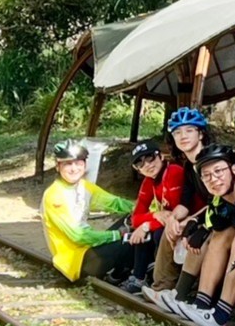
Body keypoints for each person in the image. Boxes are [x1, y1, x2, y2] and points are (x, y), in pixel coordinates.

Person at [175, 142, 235, 326]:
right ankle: (201, 305)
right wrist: (196, 227)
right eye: (206, 175)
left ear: (234, 169)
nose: (213, 179)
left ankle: (221, 316)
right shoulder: (219, 200)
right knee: (221, 233)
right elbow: (215, 222)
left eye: (218, 171)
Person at [39, 141, 131, 284]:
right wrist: (117, 234)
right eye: (68, 164)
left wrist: (150, 210)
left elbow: (116, 203)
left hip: (90, 250)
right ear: (58, 166)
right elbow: (78, 236)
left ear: (85, 165)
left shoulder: (84, 187)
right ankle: (123, 275)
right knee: (132, 240)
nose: (74, 168)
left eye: (78, 163)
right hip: (77, 261)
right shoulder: (54, 196)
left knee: (134, 218)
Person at [147, 106, 214, 300]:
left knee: (183, 228)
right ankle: (161, 287)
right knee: (171, 227)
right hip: (202, 214)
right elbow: (184, 202)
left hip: (220, 216)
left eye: (189, 130)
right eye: (177, 132)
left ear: (201, 134)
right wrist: (173, 218)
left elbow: (218, 200)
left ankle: (181, 291)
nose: (182, 136)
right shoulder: (188, 166)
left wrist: (188, 220)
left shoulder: (211, 159)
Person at [104, 137, 184, 291]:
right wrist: (153, 216)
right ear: (137, 169)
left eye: (150, 158)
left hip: (187, 219)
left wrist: (147, 225)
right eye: (140, 163)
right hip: (170, 222)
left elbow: (173, 214)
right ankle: (139, 277)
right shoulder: (148, 182)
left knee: (155, 233)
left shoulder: (173, 172)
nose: (147, 165)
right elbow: (135, 218)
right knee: (140, 232)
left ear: (161, 156)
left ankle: (163, 282)